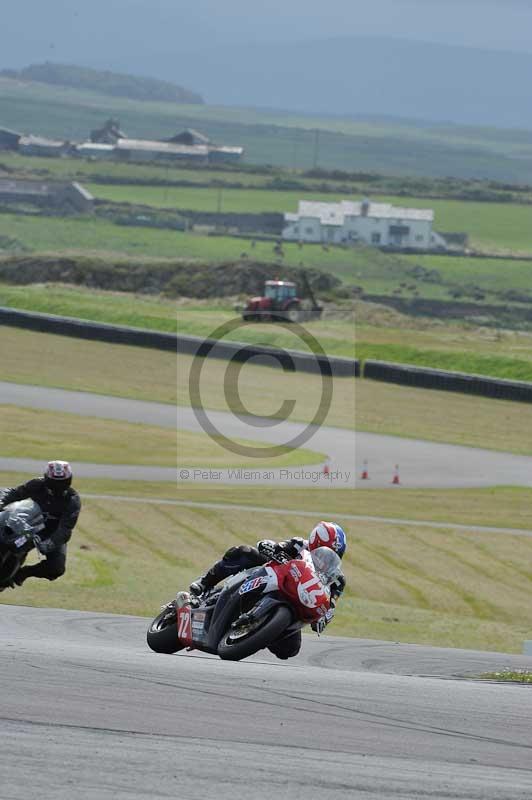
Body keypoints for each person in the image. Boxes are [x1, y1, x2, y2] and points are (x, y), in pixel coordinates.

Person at [189, 521, 347, 659]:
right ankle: (204, 584)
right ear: (315, 543)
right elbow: (278, 547)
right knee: (245, 552)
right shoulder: (299, 545)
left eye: (334, 555)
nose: (326, 559)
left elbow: (331, 604)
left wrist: (324, 618)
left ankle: (257, 632)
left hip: (299, 603)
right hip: (275, 578)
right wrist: (271, 548)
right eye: (324, 551)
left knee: (290, 650)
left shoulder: (337, 579)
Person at [0, 461, 81, 586]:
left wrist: (48, 544)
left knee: (56, 568)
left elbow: (65, 530)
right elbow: (14, 493)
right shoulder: (37, 484)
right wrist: (1, 501)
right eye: (54, 482)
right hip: (28, 527)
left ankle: (23, 573)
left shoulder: (72, 500)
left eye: (62, 482)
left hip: (51, 534)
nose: (57, 486)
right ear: (47, 478)